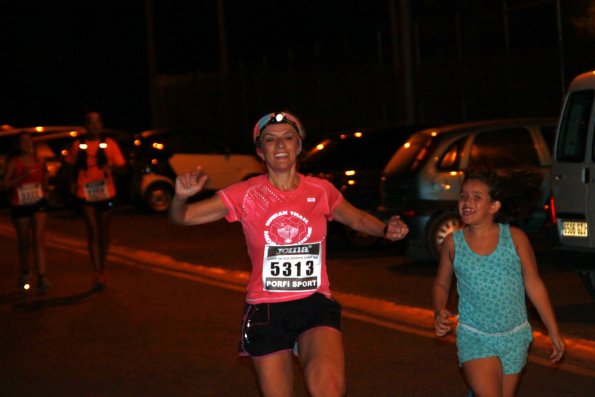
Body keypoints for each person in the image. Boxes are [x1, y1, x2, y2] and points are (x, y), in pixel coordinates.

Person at [170, 111, 409, 397]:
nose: (280, 145)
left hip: (314, 304)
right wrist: (180, 198)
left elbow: (356, 219)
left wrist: (385, 229)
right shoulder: (245, 193)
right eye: (270, 140)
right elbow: (182, 217)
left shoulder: (321, 191)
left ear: (298, 145)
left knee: (329, 390)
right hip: (266, 310)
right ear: (260, 151)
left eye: (287, 138)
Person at [432, 171, 565, 397]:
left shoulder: (515, 238)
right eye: (463, 196)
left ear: (494, 206)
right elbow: (441, 284)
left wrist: (553, 330)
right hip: (475, 335)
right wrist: (438, 310)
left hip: (515, 335)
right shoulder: (453, 243)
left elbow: (534, 284)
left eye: (477, 197)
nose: (467, 202)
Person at [64, 112, 126, 291]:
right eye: (90, 123)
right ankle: (96, 271)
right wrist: (71, 185)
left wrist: (112, 167)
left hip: (106, 192)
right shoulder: (78, 145)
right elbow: (68, 167)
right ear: (85, 126)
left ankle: (103, 266)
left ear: (101, 125)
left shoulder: (110, 144)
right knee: (92, 230)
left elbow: (123, 168)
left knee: (103, 232)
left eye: (97, 122)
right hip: (86, 193)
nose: (94, 126)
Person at [1, 132, 50, 294]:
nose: (28, 144)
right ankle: (25, 273)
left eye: (30, 141)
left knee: (38, 240)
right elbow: (4, 185)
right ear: (18, 145)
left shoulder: (39, 160)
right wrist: (22, 176)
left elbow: (45, 180)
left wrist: (45, 186)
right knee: (24, 242)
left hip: (38, 202)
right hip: (20, 204)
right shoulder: (14, 162)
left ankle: (42, 278)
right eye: (24, 142)